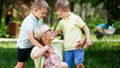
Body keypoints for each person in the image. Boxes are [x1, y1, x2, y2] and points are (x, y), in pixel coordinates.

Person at [54, 0, 92, 68]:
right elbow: (55, 32)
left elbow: (85, 27)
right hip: (67, 49)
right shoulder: (61, 22)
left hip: (78, 47)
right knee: (67, 66)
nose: (60, 16)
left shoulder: (75, 18)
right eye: (58, 15)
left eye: (61, 14)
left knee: (79, 64)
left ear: (67, 10)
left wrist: (88, 38)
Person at [15, 0, 49, 68]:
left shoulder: (39, 18)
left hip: (34, 44)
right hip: (25, 45)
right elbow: (31, 39)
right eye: (43, 13)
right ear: (35, 10)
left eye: (45, 13)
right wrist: (42, 48)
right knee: (21, 64)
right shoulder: (29, 21)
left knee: (43, 58)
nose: (44, 15)